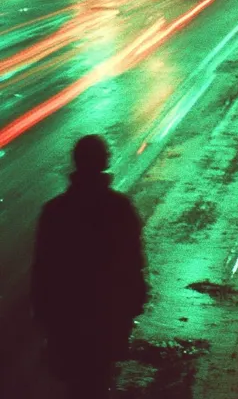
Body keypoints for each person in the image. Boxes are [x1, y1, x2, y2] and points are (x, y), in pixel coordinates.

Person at [31, 135, 148, 398]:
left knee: (75, 382)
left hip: (68, 316)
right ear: (105, 162)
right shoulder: (119, 208)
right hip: (106, 315)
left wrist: (43, 313)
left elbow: (43, 269)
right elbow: (132, 261)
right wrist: (134, 301)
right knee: (98, 378)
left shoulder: (55, 211)